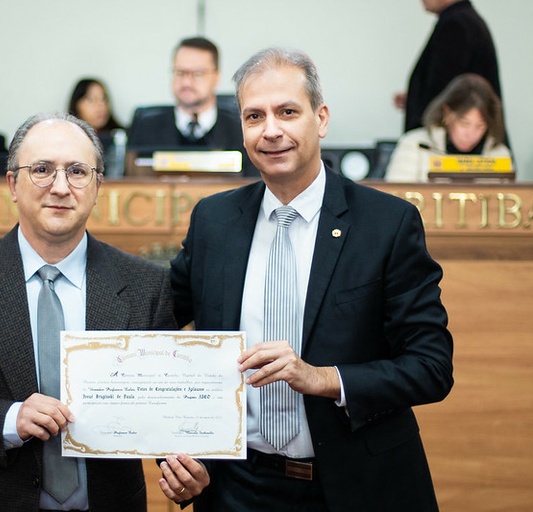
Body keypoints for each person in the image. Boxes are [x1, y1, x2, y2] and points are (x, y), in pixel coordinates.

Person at [161, 47, 454, 511]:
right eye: (254, 116)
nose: (271, 130)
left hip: (358, 486)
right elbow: (154, 330)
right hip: (235, 488)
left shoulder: (387, 224)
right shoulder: (214, 221)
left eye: (287, 112)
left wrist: (323, 378)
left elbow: (431, 367)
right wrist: (173, 454)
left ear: (321, 119)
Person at [0, 111, 177, 512]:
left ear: (97, 187)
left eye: (77, 171)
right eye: (42, 170)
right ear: (12, 183)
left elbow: (165, 406)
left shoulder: (146, 285)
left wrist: (183, 465)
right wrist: (9, 420)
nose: (60, 187)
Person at [126, 36, 258, 177]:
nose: (187, 82)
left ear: (216, 77)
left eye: (197, 74)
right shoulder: (145, 126)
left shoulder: (240, 127)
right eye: (180, 73)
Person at [394, 0, 502, 134]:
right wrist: (414, 98)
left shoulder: (456, 24)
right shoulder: (463, 19)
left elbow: (445, 90)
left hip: (455, 145)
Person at [386, 73, 511, 182]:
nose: (470, 134)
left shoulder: (499, 154)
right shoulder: (416, 145)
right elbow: (395, 200)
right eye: (464, 124)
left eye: (480, 126)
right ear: (447, 113)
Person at [67, 78, 126, 176]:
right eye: (91, 100)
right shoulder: (66, 138)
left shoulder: (121, 137)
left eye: (104, 99)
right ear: (76, 105)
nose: (100, 106)